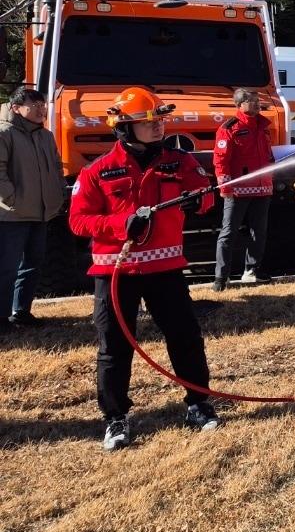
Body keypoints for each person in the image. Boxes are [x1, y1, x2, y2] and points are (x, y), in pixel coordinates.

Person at [68, 87, 220, 451]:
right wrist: (122, 225)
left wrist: (202, 196)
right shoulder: (97, 171)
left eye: (160, 120)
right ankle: (115, 418)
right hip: (114, 274)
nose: (158, 127)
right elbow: (78, 220)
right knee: (114, 348)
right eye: (148, 121)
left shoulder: (180, 161)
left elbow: (207, 197)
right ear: (124, 127)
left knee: (185, 338)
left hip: (165, 270)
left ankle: (198, 404)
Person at [0, 88, 65, 328]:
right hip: (11, 215)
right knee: (6, 268)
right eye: (34, 105)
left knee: (33, 264)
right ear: (16, 107)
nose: (41, 109)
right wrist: (12, 198)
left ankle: (21, 312)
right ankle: (1, 316)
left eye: (42, 105)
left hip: (41, 212)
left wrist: (58, 193)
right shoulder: (4, 132)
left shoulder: (45, 136)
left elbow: (57, 167)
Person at [212, 87, 275, 291]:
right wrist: (225, 185)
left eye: (258, 101)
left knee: (260, 232)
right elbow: (221, 159)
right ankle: (221, 277)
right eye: (252, 101)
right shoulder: (229, 128)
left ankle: (252, 270)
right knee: (228, 232)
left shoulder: (264, 126)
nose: (257, 105)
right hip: (238, 190)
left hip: (263, 188)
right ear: (239, 105)